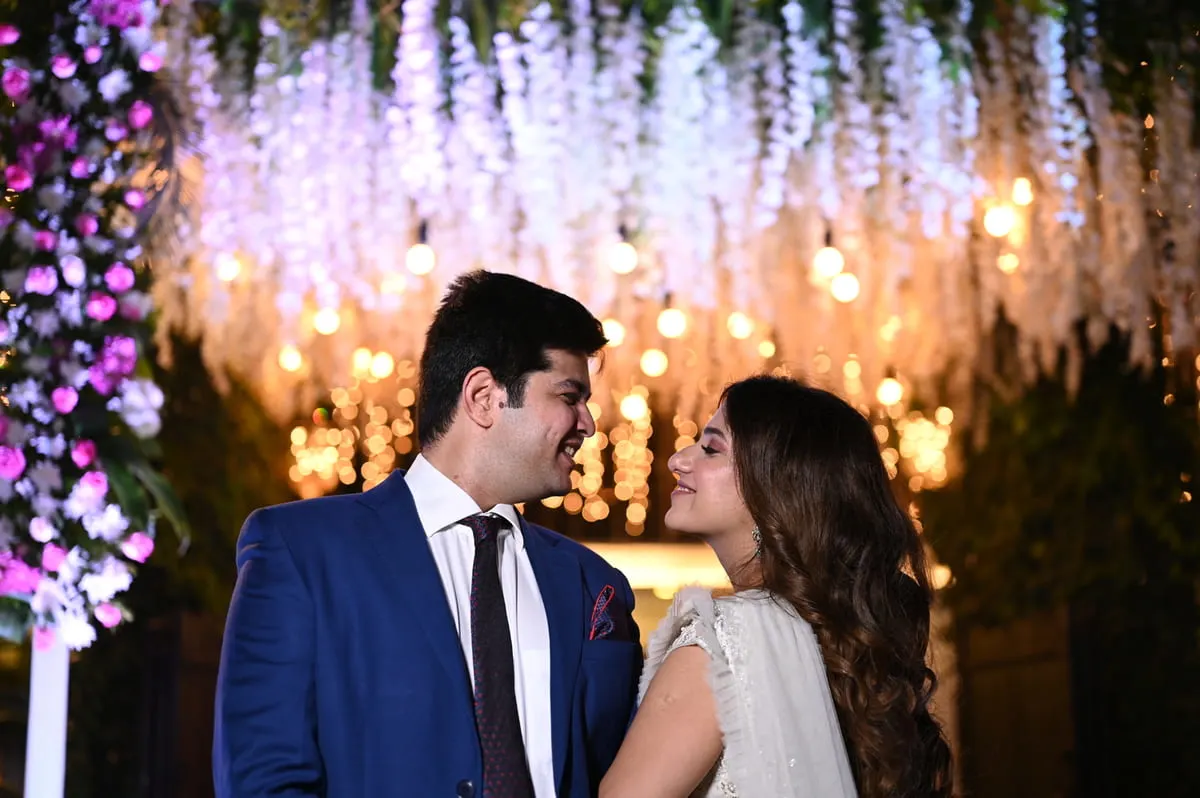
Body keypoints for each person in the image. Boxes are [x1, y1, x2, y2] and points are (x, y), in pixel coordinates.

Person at [214, 271, 642, 798]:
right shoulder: (302, 551)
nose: (589, 424)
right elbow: (264, 780)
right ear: (483, 396)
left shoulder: (591, 581)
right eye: (570, 396)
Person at [601, 375, 953, 798]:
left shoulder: (723, 643)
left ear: (776, 490)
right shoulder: (839, 643)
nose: (678, 460)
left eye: (711, 449)